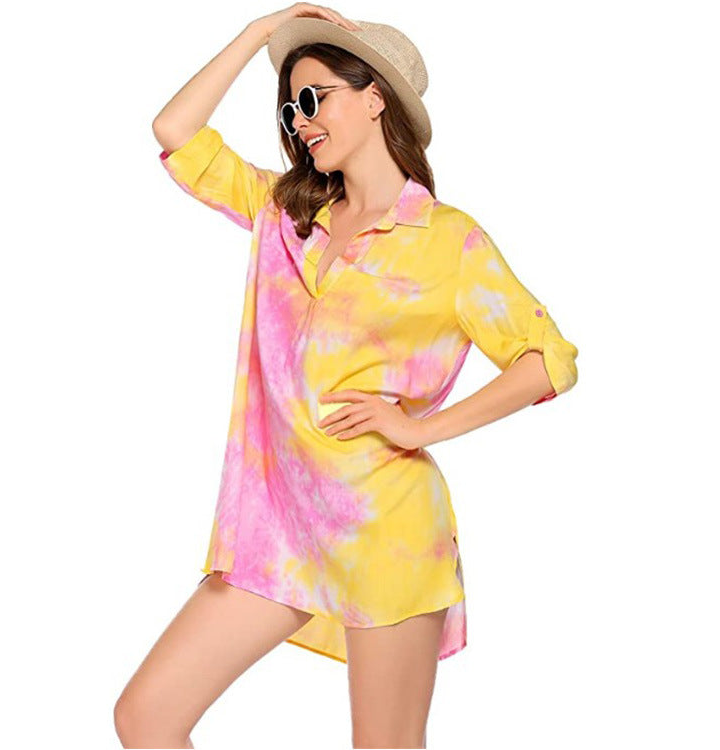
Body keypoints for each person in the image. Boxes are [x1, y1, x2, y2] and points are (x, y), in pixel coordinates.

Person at [115, 5, 579, 748]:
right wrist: (263, 32)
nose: (300, 120)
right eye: (290, 107)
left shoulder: (447, 241)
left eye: (315, 97)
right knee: (146, 717)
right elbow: (175, 131)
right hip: (277, 529)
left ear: (375, 98)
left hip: (385, 532)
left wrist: (422, 428)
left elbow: (546, 358)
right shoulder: (286, 215)